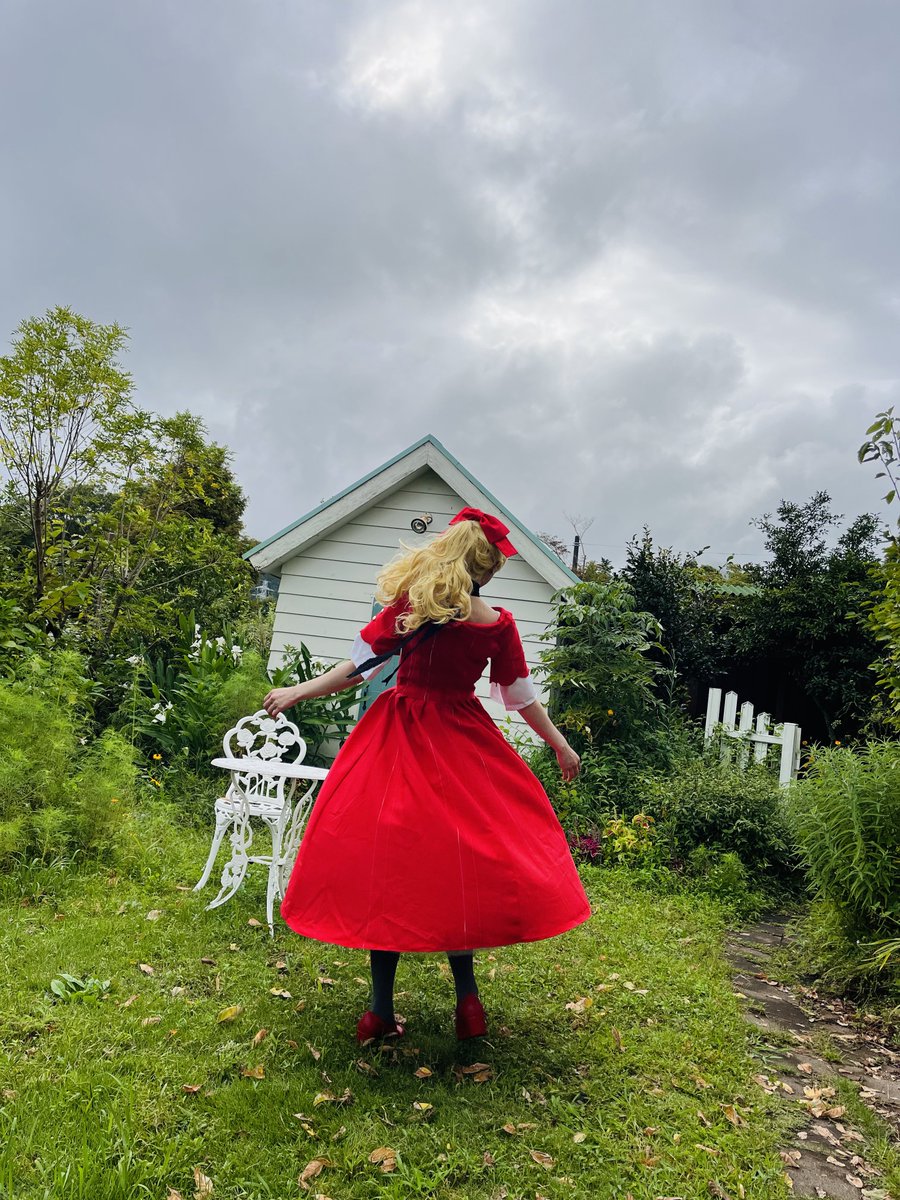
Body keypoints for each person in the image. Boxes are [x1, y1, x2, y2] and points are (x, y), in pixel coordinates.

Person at [262, 507, 591, 1043]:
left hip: (398, 740)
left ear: (446, 554)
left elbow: (357, 669)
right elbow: (521, 698)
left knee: (386, 866)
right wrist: (560, 744)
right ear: (484, 569)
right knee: (459, 868)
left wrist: (298, 690)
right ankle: (469, 1004)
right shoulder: (498, 624)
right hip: (462, 742)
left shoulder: (413, 606)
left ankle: (378, 1012)